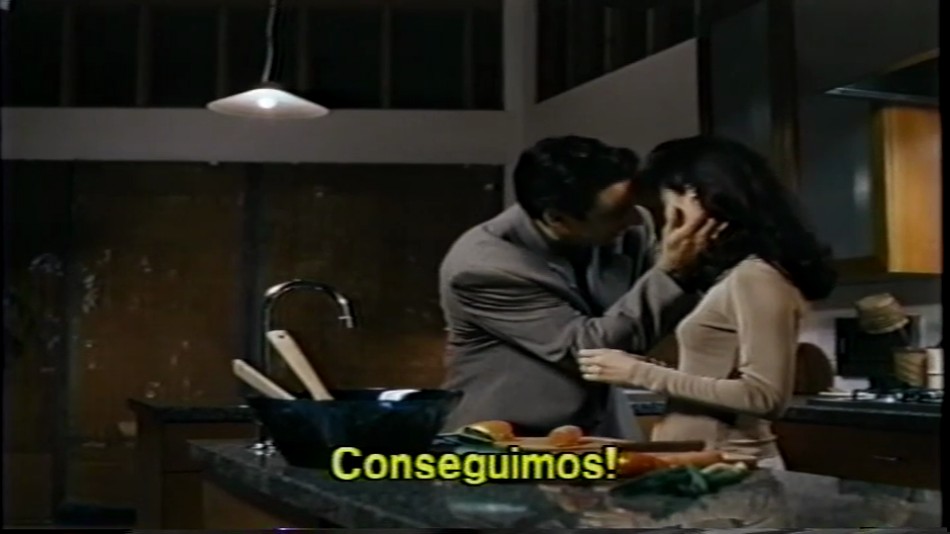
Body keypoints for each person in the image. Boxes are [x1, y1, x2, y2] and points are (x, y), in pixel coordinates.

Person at [438, 135, 723, 439]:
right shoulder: (484, 267)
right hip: (503, 440)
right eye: (616, 213)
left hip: (593, 433)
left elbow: (669, 302)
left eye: (631, 206)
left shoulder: (625, 228)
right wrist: (671, 271)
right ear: (557, 219)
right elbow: (590, 351)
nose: (634, 220)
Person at [577, 135, 836, 467]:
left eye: (670, 206)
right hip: (703, 460)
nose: (667, 222)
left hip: (734, 466)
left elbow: (766, 397)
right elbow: (715, 376)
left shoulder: (756, 277)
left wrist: (638, 373)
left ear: (699, 196)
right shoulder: (732, 276)